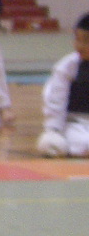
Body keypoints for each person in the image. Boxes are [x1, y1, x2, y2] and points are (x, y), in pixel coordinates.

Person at [36, 12, 89, 157]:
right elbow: (56, 101)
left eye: (86, 41)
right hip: (75, 124)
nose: (79, 46)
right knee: (55, 144)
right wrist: (53, 129)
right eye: (77, 39)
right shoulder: (67, 66)